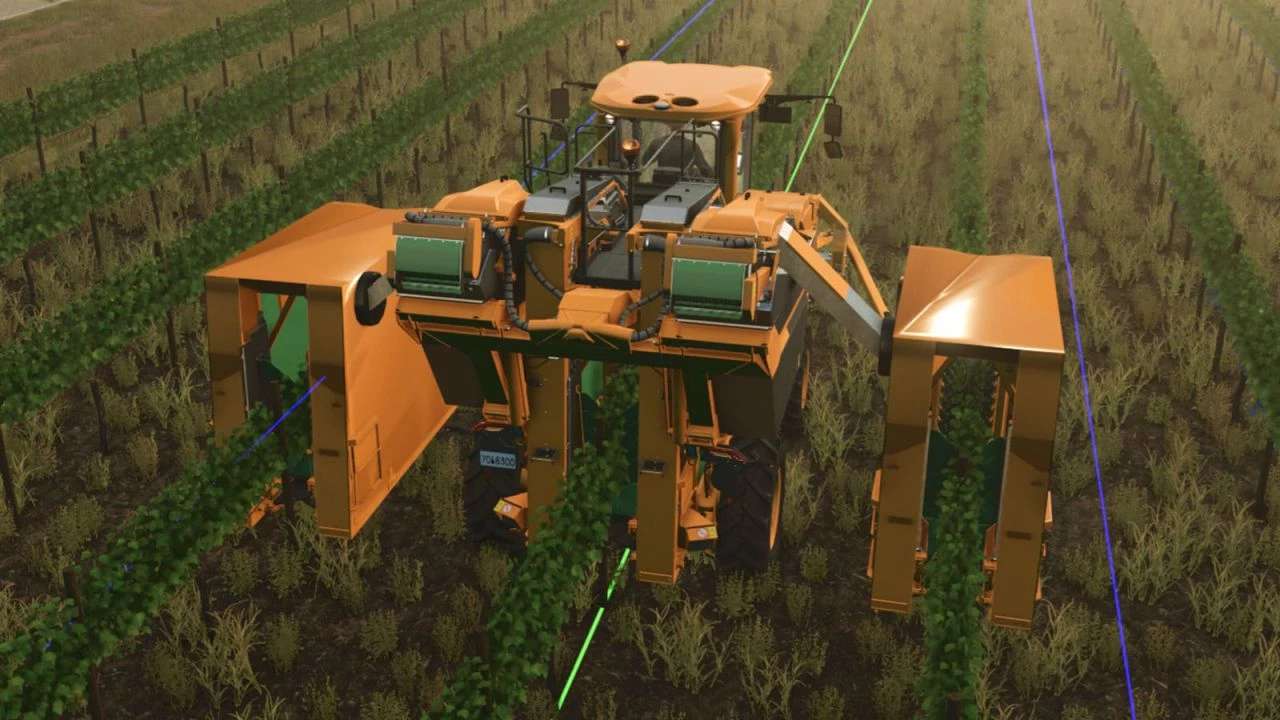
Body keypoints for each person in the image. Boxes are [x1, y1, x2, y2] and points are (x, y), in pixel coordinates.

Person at [641, 120, 714, 184]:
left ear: (668, 125)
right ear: (684, 125)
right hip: (683, 187)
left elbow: (644, 162)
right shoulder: (692, 145)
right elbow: (705, 170)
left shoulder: (657, 143)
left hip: (659, 186)